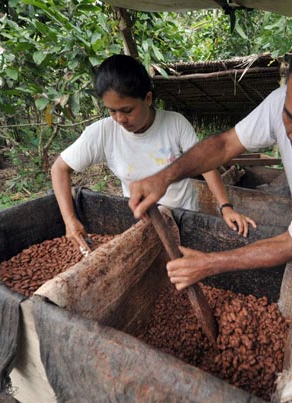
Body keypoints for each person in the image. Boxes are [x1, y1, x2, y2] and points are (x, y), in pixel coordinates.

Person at [128, 26, 292, 333]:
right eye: (291, 118)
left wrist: (208, 264)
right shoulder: (280, 100)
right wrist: (165, 176)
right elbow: (227, 144)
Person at [51, 54, 256, 253]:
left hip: (184, 219)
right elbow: (59, 168)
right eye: (112, 111)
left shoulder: (175, 124)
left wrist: (225, 207)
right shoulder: (103, 133)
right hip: (142, 222)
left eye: (127, 110)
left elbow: (207, 165)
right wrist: (70, 220)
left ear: (148, 98)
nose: (120, 119)